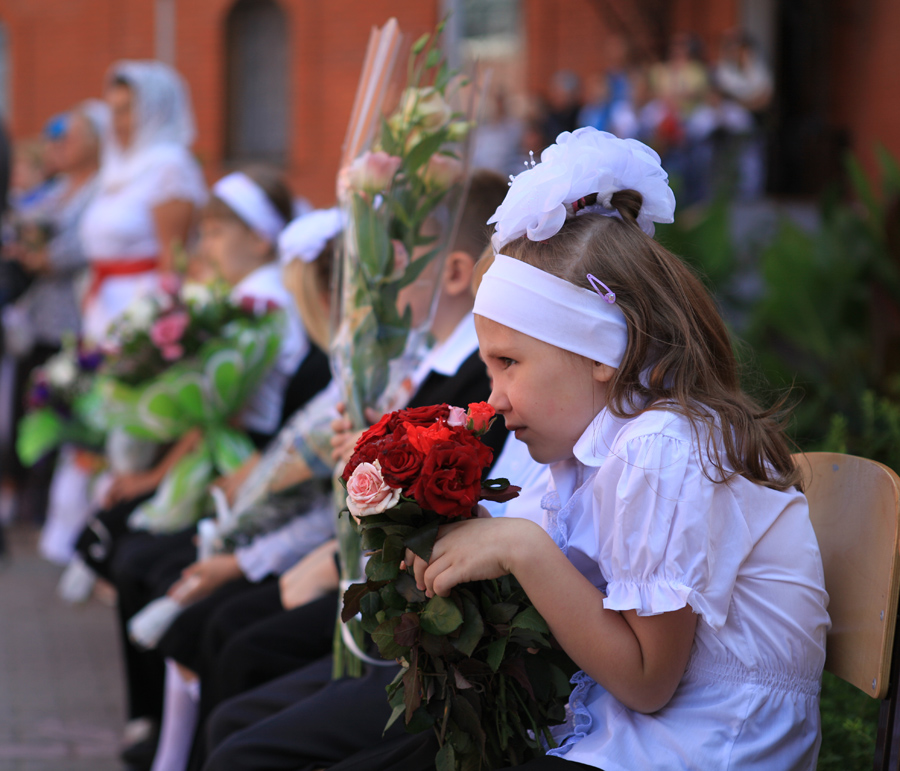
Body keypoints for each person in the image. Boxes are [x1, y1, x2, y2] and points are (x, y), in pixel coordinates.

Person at [385, 127, 829, 770]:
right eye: (489, 369)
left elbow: (648, 681)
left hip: (708, 745)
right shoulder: (586, 449)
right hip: (640, 733)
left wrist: (520, 549)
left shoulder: (660, 448)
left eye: (509, 362)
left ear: (599, 353)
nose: (496, 398)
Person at [79, 60, 207, 344]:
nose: (118, 123)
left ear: (155, 110)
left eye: (126, 110)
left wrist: (161, 326)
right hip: (104, 305)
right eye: (113, 111)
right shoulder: (116, 169)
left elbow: (174, 256)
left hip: (141, 309)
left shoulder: (170, 166)